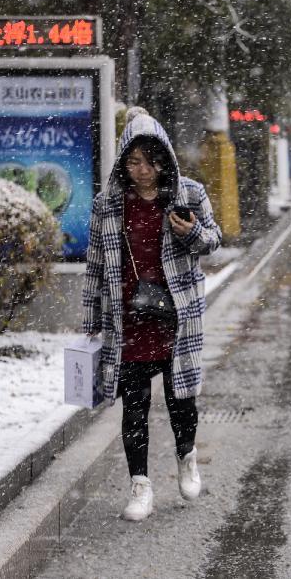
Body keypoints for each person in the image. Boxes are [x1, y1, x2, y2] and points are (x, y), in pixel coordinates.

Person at [82, 107, 222, 521]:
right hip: (128, 319)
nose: (141, 170)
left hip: (175, 317)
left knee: (182, 400)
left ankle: (186, 457)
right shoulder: (108, 204)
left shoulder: (189, 195)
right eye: (133, 161)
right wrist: (90, 321)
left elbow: (214, 240)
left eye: (149, 161)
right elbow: (94, 263)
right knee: (135, 406)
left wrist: (192, 233)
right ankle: (140, 486)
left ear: (164, 161)